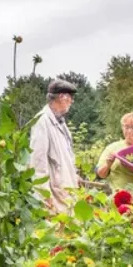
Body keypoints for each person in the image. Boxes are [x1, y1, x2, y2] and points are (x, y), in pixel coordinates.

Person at [29, 79, 81, 214]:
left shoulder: (61, 123)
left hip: (66, 195)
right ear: (62, 97)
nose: (72, 101)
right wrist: (45, 198)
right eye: (70, 97)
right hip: (54, 200)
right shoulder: (42, 121)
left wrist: (75, 177)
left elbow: (65, 160)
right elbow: (37, 164)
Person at [96, 112, 133, 190]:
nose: (129, 131)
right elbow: (100, 175)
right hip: (120, 197)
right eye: (126, 127)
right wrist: (108, 164)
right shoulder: (112, 148)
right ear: (122, 128)